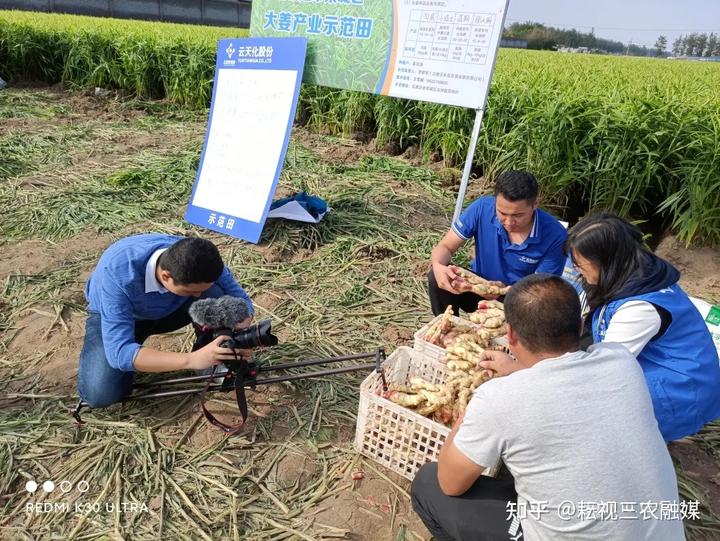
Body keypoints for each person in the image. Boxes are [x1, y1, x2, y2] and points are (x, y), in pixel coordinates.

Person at [412, 274, 684, 541]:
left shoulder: (497, 400)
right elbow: (566, 387)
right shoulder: (620, 360)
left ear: (510, 336)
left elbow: (450, 482)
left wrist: (470, 411)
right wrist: (517, 371)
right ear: (580, 326)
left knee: (428, 483)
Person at [566, 213, 720, 442]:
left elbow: (602, 368)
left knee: (586, 411)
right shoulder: (636, 272)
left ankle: (650, 440)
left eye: (581, 264)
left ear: (607, 262)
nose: (578, 271)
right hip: (666, 367)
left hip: (678, 390)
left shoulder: (640, 308)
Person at [77, 234, 254, 408]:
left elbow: (242, 302)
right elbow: (120, 353)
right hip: (124, 317)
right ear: (166, 276)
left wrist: (239, 328)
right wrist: (191, 360)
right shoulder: (118, 275)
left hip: (172, 310)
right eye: (191, 291)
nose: (199, 296)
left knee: (215, 294)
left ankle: (210, 354)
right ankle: (197, 358)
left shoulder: (200, 258)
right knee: (100, 394)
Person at [429, 170, 567, 316]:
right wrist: (438, 265)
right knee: (437, 276)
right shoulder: (481, 208)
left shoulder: (555, 235)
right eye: (502, 213)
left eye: (518, 215)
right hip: (477, 287)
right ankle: (446, 327)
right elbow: (445, 247)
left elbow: (539, 290)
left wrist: (503, 291)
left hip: (518, 300)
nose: (508, 222)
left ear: (535, 205)